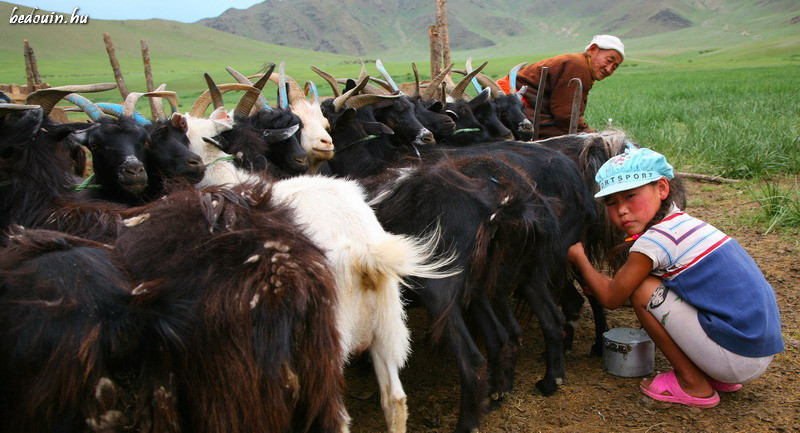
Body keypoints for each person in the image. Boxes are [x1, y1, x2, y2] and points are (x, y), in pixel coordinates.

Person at [566, 146, 784, 408]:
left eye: (631, 196)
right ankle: (710, 372)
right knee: (651, 286)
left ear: (662, 188)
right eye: (612, 202)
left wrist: (580, 258)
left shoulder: (655, 242)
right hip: (756, 348)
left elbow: (612, 298)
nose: (622, 210)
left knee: (643, 290)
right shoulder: (683, 224)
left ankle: (693, 383)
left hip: (736, 357)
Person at [496, 35, 624, 139]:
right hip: (513, 104)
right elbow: (567, 116)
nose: (609, 69)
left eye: (614, 66)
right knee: (572, 141)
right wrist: (592, 135)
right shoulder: (579, 66)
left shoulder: (581, 65)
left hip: (524, 105)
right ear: (593, 49)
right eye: (608, 60)